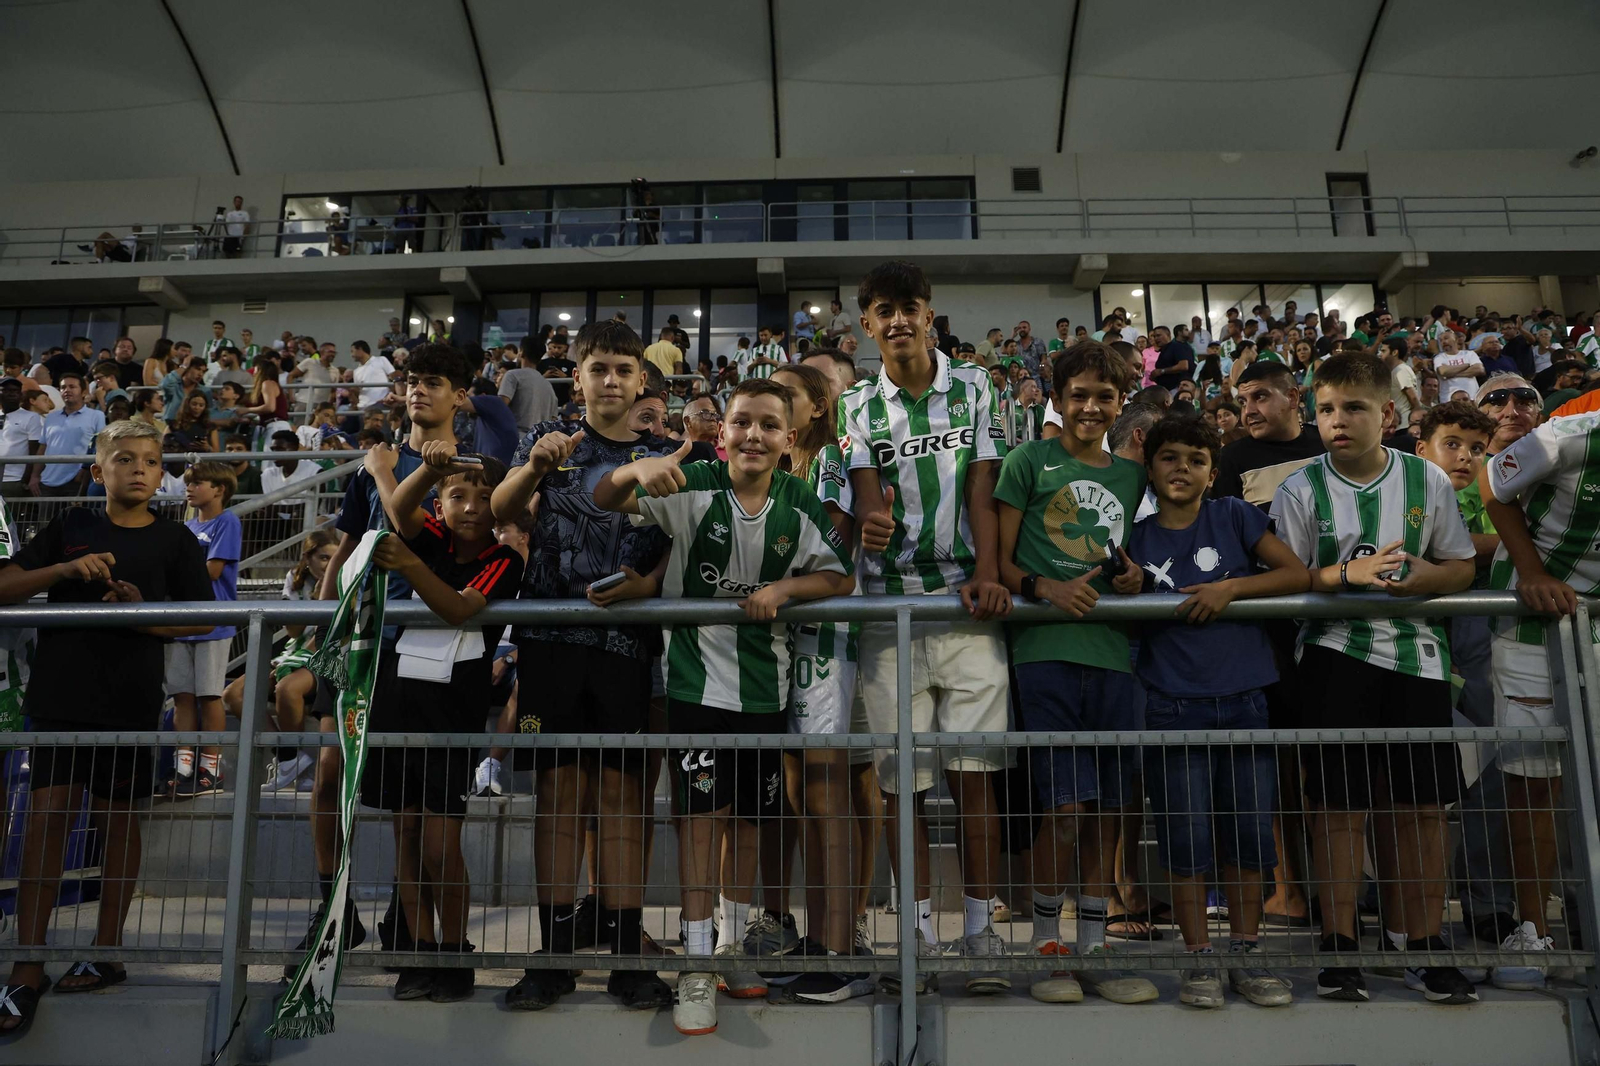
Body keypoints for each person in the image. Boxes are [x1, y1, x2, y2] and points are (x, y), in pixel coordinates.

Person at [594, 377, 855, 1037]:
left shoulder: (799, 499)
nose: (754, 435)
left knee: (749, 824)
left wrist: (787, 587)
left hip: (767, 694)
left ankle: (735, 949)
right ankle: (697, 960)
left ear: (789, 441)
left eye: (770, 425)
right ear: (721, 431)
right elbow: (605, 498)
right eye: (742, 422)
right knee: (701, 824)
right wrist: (635, 466)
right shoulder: (693, 488)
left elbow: (841, 576)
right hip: (696, 692)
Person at [493, 318, 714, 1013]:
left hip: (625, 649)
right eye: (599, 369)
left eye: (623, 369)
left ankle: (625, 956)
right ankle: (554, 955)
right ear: (578, 377)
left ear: (641, 379)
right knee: (558, 795)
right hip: (551, 645)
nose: (612, 380)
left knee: (622, 798)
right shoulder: (545, 441)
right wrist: (534, 467)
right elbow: (505, 513)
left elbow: (669, 555)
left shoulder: (661, 453)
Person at [1269, 353, 1478, 1005]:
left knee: (1420, 809)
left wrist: (1428, 579)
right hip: (1332, 660)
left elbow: (1462, 568)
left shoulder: (1427, 481)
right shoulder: (1298, 489)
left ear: (1386, 414)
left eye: (1354, 407)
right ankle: (1338, 947)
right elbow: (1289, 581)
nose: (1338, 420)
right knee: (1337, 809)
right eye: (1327, 408)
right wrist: (1342, 578)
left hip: (1417, 661)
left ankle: (1421, 946)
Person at [0, 419, 213, 1041]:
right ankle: (27, 964)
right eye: (125, 458)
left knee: (119, 821)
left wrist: (136, 612)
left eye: (151, 460)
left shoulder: (176, 541)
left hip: (128, 702)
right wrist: (63, 575)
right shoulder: (71, 527)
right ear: (100, 471)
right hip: (59, 699)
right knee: (46, 824)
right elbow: (5, 584)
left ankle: (109, 949)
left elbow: (199, 621)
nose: (140, 469)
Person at [839, 261, 1013, 995]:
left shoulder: (977, 386)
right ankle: (913, 937)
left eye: (911, 306)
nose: (900, 320)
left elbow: (985, 484)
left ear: (931, 312)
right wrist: (872, 530)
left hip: (964, 606)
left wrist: (990, 571)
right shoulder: (856, 406)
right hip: (888, 610)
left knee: (976, 779)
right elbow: (866, 498)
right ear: (868, 324)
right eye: (885, 310)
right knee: (901, 785)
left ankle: (979, 932)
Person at [1122, 416, 1305, 1009]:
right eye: (1169, 457)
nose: (1182, 468)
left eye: (1196, 459)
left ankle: (1247, 953)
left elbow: (1295, 573)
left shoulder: (1234, 517)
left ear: (1212, 470)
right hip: (1169, 704)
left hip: (1246, 698)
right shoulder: (1135, 536)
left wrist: (1231, 589)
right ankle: (1200, 961)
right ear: (1149, 469)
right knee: (1186, 837)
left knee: (1249, 834)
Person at [994, 340, 1154, 1005]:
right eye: (1079, 395)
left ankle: (1094, 950)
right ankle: (1046, 949)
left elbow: (1141, 568)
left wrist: (1135, 578)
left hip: (1117, 660)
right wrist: (1044, 589)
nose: (1091, 407)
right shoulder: (1027, 460)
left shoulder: (1133, 478)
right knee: (1063, 809)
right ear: (1056, 400)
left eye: (1105, 397)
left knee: (1107, 815)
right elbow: (997, 565)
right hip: (1045, 657)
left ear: (1120, 405)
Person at [357, 443, 523, 1003]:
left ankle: (455, 950)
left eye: (483, 496)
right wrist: (421, 468)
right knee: (405, 834)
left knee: (439, 844)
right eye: (458, 495)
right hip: (398, 699)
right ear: (441, 502)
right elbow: (401, 512)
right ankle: (418, 950)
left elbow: (458, 607)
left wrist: (410, 568)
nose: (471, 506)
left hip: (451, 714)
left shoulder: (503, 559)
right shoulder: (430, 535)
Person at [1478, 398, 1600, 990]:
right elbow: (1493, 483)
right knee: (1534, 782)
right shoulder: (1568, 437)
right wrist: (1530, 570)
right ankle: (1532, 928)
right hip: (1532, 625)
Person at [765, 363, 873, 1003]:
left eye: (788, 397)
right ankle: (817, 934)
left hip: (826, 640)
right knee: (803, 793)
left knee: (828, 792)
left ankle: (841, 952)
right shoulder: (783, 467)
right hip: (789, 641)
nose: (776, 407)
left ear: (818, 406)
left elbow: (831, 549)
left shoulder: (831, 459)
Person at [164, 462, 242, 798]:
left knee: (209, 695)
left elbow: (211, 571)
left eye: (198, 483)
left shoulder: (228, 521)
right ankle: (183, 769)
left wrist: (174, 575)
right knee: (182, 695)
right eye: (189, 483)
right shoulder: (186, 526)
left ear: (219, 489)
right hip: (182, 620)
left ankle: (211, 770)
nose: (190, 488)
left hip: (214, 619)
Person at [1210, 361, 1322, 508]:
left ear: (1292, 397)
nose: (1248, 411)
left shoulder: (1327, 444)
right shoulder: (1230, 460)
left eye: (1260, 397)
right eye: (1243, 402)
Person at [33, 374, 105, 497]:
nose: (67, 390)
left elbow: (100, 447)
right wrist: (34, 476)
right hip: (47, 481)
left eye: (72, 387)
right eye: (63, 387)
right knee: (45, 517)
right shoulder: (51, 417)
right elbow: (43, 448)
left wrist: (85, 471)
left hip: (77, 480)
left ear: (83, 392)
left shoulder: (96, 415)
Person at [498, 343, 560, 433]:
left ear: (522, 352)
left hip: (515, 437)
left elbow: (500, 406)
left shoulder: (512, 375)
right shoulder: (548, 386)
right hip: (540, 441)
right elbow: (553, 419)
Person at [0, 377, 45, 497]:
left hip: (14, 479)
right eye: (6, 390)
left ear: (21, 395)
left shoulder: (31, 417)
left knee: (11, 515)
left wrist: (25, 481)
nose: (11, 394)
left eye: (15, 391)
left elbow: (34, 451)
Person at [351, 340, 398, 412]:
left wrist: (390, 396)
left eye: (352, 351)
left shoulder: (381, 360)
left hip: (381, 405)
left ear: (360, 349)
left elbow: (394, 377)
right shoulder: (356, 371)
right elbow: (358, 391)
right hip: (363, 408)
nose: (352, 355)